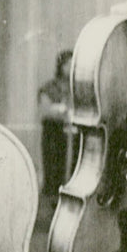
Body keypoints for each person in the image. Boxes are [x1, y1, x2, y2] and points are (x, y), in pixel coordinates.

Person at [38, 50, 74, 199]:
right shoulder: (50, 87)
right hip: (54, 132)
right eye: (68, 64)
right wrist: (62, 110)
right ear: (61, 66)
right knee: (53, 170)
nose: (71, 67)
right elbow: (45, 109)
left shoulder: (75, 87)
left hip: (72, 133)